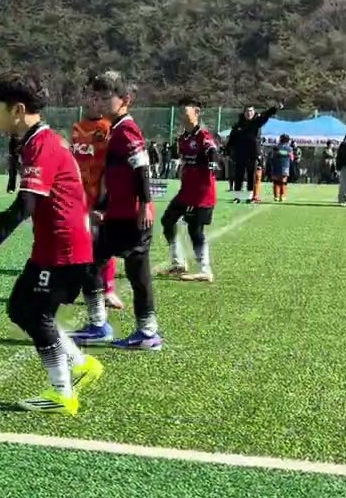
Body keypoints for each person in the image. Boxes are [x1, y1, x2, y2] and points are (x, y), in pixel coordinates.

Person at [0, 72, 102, 415]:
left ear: (18, 110)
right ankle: (80, 363)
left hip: (64, 249)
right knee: (20, 309)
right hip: (55, 246)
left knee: (37, 314)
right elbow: (38, 199)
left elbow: (27, 204)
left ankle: (63, 393)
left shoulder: (41, 145)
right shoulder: (37, 141)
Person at [71, 71, 163, 351]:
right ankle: (99, 324)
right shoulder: (115, 129)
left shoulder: (126, 130)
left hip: (132, 217)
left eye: (106, 97)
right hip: (116, 215)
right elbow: (112, 177)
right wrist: (101, 207)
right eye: (97, 97)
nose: (100, 102)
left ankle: (147, 333)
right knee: (91, 263)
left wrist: (145, 204)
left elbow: (141, 168)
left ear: (125, 100)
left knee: (138, 275)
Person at [69, 84, 124, 310]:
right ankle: (75, 286)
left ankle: (108, 289)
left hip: (99, 193)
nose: (92, 102)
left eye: (97, 98)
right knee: (78, 241)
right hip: (78, 194)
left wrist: (105, 194)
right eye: (88, 97)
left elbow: (109, 164)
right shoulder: (77, 127)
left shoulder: (108, 128)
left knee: (102, 242)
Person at [160, 97, 221, 282]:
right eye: (180, 112)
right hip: (186, 192)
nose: (182, 115)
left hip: (202, 193)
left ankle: (205, 270)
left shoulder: (203, 135)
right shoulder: (182, 139)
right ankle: (178, 262)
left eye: (185, 111)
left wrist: (213, 163)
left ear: (196, 112)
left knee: (196, 230)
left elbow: (212, 150)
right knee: (167, 220)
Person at [226, 103, 279, 204]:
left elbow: (266, 115)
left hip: (252, 154)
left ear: (254, 112)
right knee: (238, 176)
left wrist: (275, 108)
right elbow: (232, 139)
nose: (249, 113)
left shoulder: (257, 122)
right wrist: (227, 150)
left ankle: (250, 197)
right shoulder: (238, 125)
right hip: (240, 154)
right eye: (247, 111)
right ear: (244, 112)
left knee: (251, 176)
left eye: (251, 111)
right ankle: (237, 197)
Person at [267, 133, 295, 203]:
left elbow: (272, 156)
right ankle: (282, 196)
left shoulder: (276, 147)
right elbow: (291, 158)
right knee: (283, 182)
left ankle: (276, 196)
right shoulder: (289, 148)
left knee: (276, 182)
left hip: (276, 165)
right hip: (285, 165)